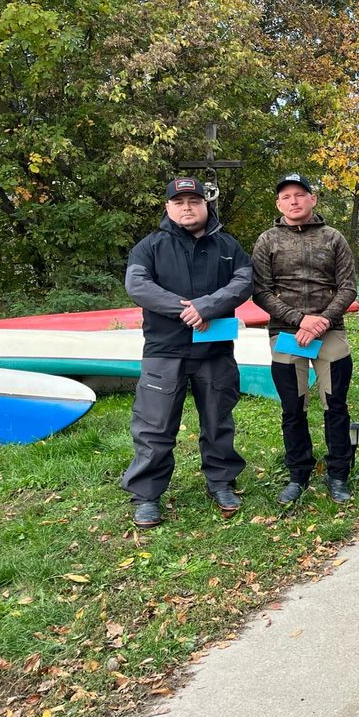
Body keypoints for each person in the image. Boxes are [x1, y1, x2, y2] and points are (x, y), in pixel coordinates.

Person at [120, 177, 254, 527]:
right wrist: (185, 309)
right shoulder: (149, 247)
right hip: (165, 352)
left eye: (194, 201)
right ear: (168, 208)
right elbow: (137, 285)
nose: (187, 208)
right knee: (154, 426)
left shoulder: (228, 246)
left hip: (214, 352)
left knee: (218, 422)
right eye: (179, 202)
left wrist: (208, 306)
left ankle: (222, 481)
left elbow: (243, 281)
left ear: (205, 205)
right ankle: (147, 495)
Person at [251, 173, 358, 505]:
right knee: (292, 408)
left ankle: (338, 473)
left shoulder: (333, 238)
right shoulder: (267, 240)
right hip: (285, 334)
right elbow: (260, 292)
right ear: (278, 204)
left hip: (330, 332)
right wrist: (299, 320)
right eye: (286, 196)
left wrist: (321, 321)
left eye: (300, 194)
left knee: (335, 404)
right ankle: (298, 472)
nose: (294, 201)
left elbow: (348, 287)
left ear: (312, 199)